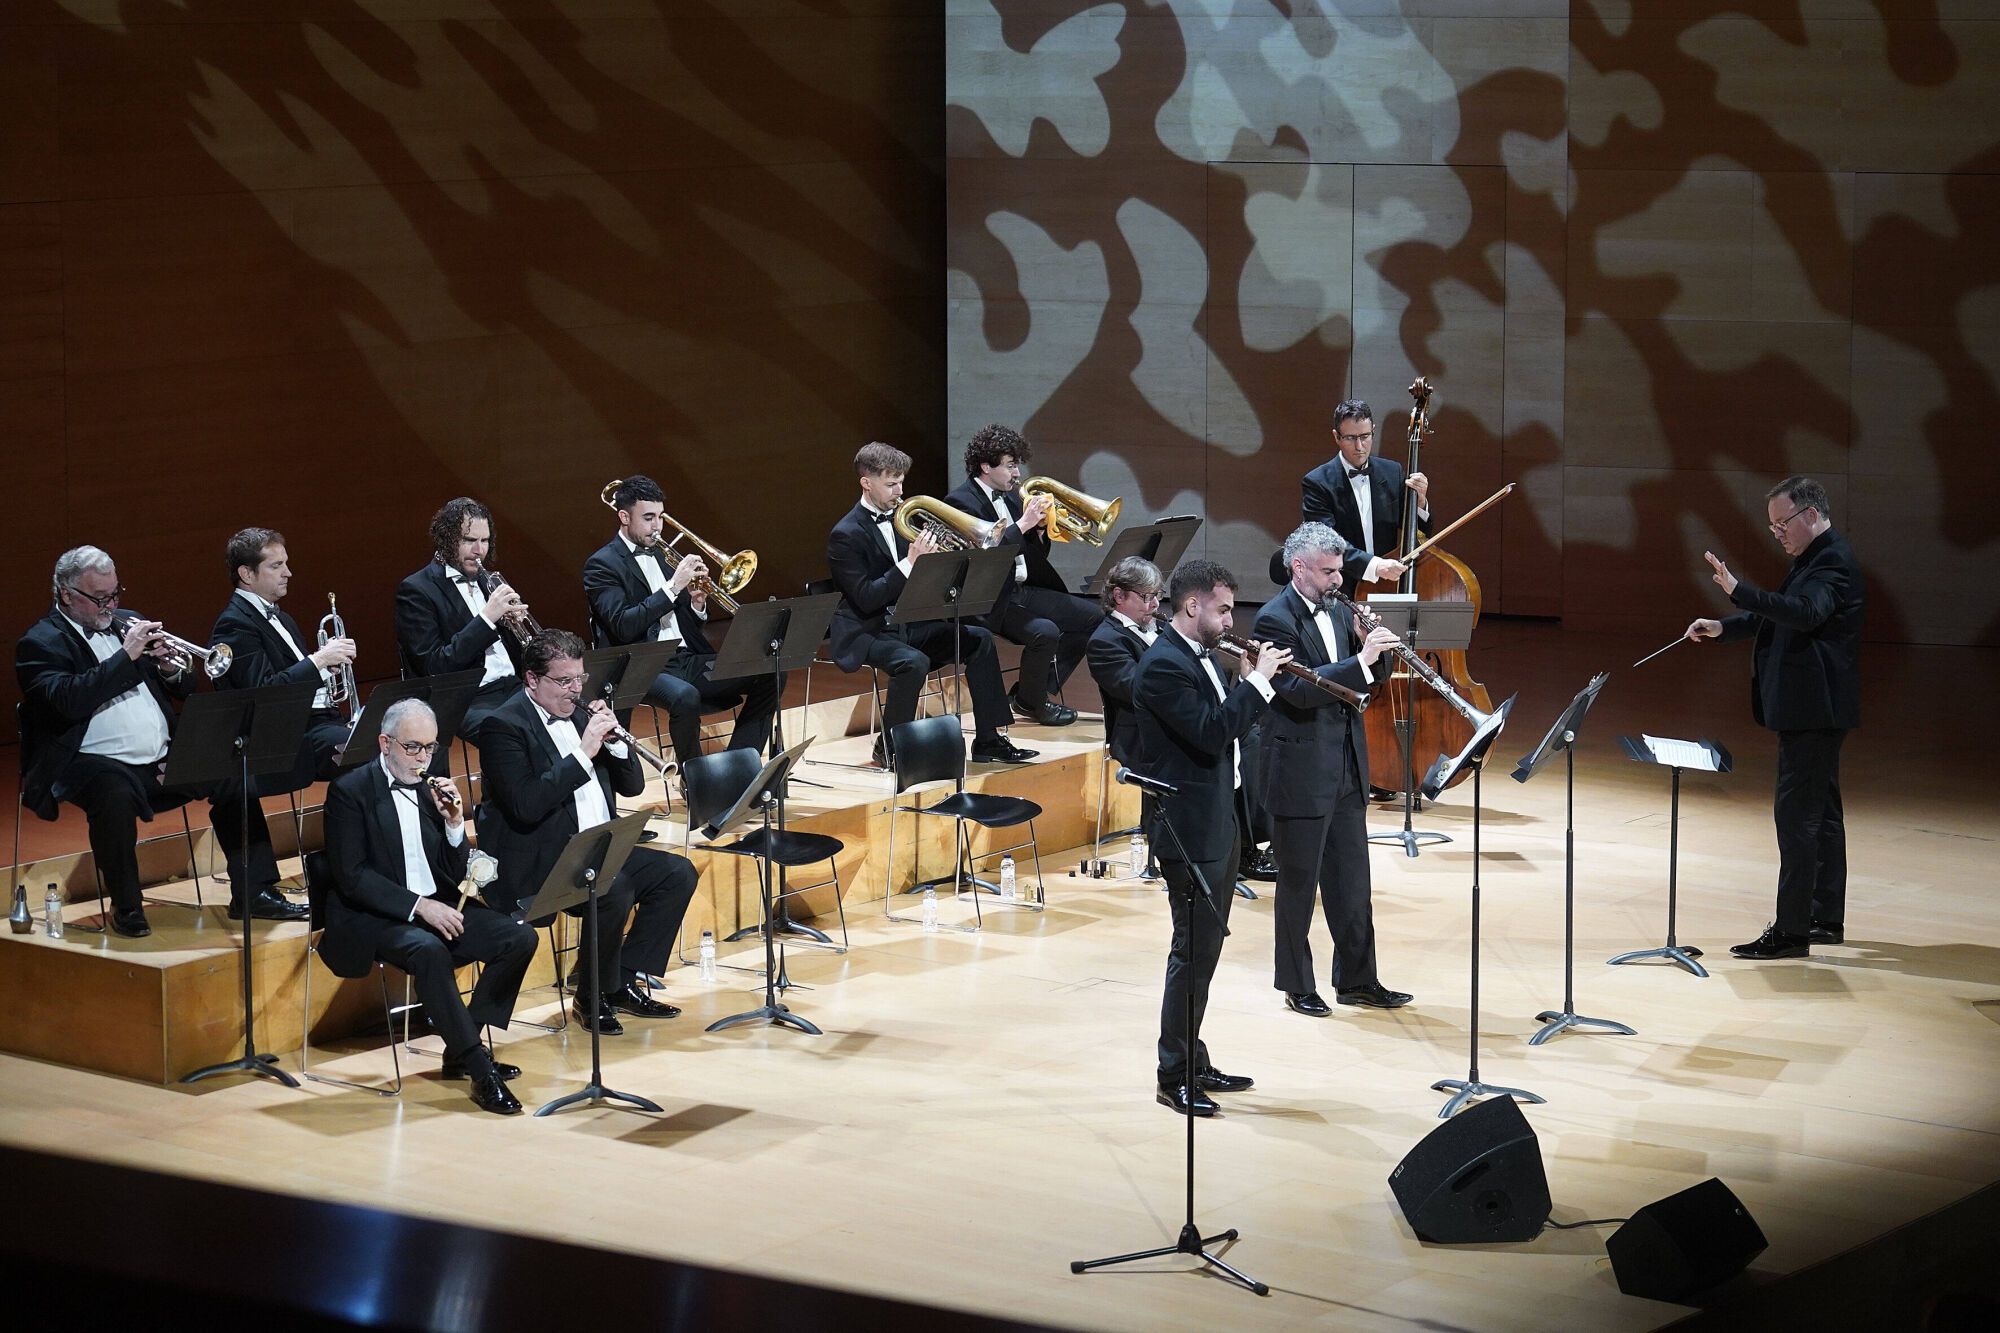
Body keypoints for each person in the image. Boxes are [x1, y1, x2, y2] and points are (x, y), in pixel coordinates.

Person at [14, 546, 298, 936]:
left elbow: (185, 685)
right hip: (92, 763)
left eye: (115, 594)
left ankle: (255, 891)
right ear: (65, 594)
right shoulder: (40, 643)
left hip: (162, 758)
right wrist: (126, 658)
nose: (110, 605)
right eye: (100, 598)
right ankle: (127, 906)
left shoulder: (126, 622)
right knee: (111, 794)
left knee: (233, 768)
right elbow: (66, 702)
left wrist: (167, 668)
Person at [475, 629, 698, 1032]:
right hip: (544, 858)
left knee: (677, 873)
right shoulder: (502, 727)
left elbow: (631, 786)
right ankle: (590, 996)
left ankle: (620, 982)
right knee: (615, 887)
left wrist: (614, 744)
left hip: (599, 847)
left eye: (579, 679)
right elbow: (526, 805)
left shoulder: (580, 713)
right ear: (531, 680)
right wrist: (584, 751)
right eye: (564, 682)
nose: (575, 690)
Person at [321, 699, 536, 1115]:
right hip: (376, 916)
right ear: (385, 743)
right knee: (429, 950)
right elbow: (353, 876)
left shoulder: (429, 788)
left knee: (518, 937)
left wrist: (455, 824)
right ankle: (479, 1069)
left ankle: (461, 1047)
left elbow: (452, 870)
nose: (422, 758)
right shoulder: (350, 791)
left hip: (434, 903)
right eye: (413, 747)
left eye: (431, 748)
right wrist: (419, 906)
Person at [1685, 476, 1863, 960]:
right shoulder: (1812, 557)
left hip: (1815, 709)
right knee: (1821, 814)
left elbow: (1805, 613)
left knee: (1797, 817)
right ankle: (1824, 919)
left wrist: (1739, 590)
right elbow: (1780, 615)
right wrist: (1723, 626)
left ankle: (1790, 932)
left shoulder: (1833, 562)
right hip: (1815, 708)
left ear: (1810, 514)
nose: (1777, 533)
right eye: (1772, 527)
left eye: (1781, 524)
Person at [1133, 559, 1287, 1116]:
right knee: (1192, 952)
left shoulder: (1200, 658)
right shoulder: (1162, 667)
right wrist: (1261, 683)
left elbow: (1224, 725)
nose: (1230, 620)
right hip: (1188, 831)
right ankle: (1172, 1073)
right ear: (1193, 605)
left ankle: (1193, 1058)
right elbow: (1210, 733)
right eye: (1223, 609)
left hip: (1218, 825)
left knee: (1207, 949)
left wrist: (1246, 685)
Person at [1254, 523, 1409, 1014]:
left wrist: (1375, 654)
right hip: (1300, 769)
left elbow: (1363, 684)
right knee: (1298, 887)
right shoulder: (1272, 621)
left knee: (1352, 885)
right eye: (1328, 571)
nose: (1338, 579)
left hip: (1345, 763)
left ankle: (1358, 980)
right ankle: (1297, 984)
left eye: (1341, 569)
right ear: (1298, 567)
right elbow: (1298, 690)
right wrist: (1359, 660)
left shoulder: (1341, 610)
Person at [825, 442, 1036, 768]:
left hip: (910, 621)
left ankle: (989, 740)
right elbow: (866, 598)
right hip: (867, 631)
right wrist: (910, 564)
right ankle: (890, 746)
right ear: (866, 482)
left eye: (901, 482)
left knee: (978, 639)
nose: (900, 490)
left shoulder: (903, 519)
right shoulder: (845, 534)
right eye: (891, 483)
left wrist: (940, 563)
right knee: (913, 662)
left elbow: (926, 582)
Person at [583, 474, 778, 768]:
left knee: (772, 671)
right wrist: (673, 588)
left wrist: (697, 603)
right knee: (685, 697)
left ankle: (740, 767)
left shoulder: (663, 556)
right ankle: (699, 784)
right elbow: (623, 625)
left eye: (661, 517)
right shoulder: (602, 565)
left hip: (686, 659)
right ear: (624, 516)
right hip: (642, 668)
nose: (658, 527)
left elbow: (680, 622)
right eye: (648, 518)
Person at [941, 425, 1100, 726]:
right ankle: (1034, 701)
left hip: (1021, 589)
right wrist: (1024, 525)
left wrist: (1040, 531)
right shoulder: (961, 503)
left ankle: (1030, 693)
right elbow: (988, 558)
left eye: (1018, 465)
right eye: (1011, 465)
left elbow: (1031, 555)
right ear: (986, 466)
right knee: (1045, 631)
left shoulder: (1012, 498)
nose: (1017, 473)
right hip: (988, 599)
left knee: (1092, 618)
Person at [209, 527, 355, 797]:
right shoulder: (234, 624)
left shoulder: (282, 618)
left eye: (286, 564)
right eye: (277, 566)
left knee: (417, 739)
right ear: (247, 574)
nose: (288, 573)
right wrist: (320, 660)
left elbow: (297, 675)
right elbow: (265, 692)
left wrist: (327, 670)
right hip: (291, 735)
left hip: (323, 721)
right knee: (374, 753)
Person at [392, 497, 534, 747]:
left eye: (485, 540)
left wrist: (516, 625)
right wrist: (487, 619)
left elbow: (520, 648)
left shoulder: (489, 581)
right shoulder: (417, 590)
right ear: (447, 539)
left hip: (515, 687)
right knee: (515, 739)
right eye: (469, 541)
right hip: (469, 699)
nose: (479, 550)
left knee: (575, 720)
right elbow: (434, 665)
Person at [1267, 398, 1429, 590]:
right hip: (1340, 587)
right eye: (1351, 438)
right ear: (1336, 436)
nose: (1359, 446)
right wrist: (1374, 566)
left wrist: (1419, 502)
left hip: (1388, 585)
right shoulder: (1317, 482)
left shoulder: (1392, 472)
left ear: (1373, 431)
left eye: (1365, 436)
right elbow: (1326, 543)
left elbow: (1418, 533)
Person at [1086, 555, 1162, 876]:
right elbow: (1136, 690)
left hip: (1170, 723)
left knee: (1244, 740)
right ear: (1119, 596)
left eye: (1157, 595)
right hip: (1138, 735)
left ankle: (1240, 848)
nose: (1155, 604)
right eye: (1146, 597)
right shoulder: (1105, 642)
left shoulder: (1160, 627)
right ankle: (1173, 852)